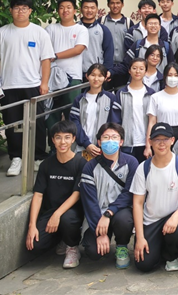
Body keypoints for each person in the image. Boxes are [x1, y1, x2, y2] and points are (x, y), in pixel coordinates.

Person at [0, 0, 55, 177]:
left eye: (24, 8)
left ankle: (38, 157)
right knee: (12, 123)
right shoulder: (1, 33)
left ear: (30, 11)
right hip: (8, 86)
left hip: (33, 85)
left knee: (37, 122)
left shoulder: (40, 33)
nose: (20, 11)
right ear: (11, 10)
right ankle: (16, 158)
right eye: (17, 8)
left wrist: (44, 83)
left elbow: (46, 60)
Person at [131, 122, 178, 272]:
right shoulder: (143, 168)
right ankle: (158, 248)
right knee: (144, 265)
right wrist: (140, 237)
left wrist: (175, 217)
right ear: (150, 142)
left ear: (172, 140)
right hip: (151, 220)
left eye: (165, 139)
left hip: (174, 217)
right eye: (157, 139)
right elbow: (138, 203)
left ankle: (171, 255)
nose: (161, 144)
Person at [25, 120, 86, 268]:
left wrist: (57, 215)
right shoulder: (46, 165)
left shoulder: (81, 163)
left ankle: (72, 247)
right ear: (52, 140)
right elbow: (38, 195)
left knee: (67, 219)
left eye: (67, 137)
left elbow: (76, 194)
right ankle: (62, 238)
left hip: (73, 213)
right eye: (58, 137)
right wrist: (32, 226)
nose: (62, 142)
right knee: (35, 245)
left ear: (73, 139)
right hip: (51, 212)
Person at [79, 123, 138, 269]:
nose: (110, 141)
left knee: (124, 220)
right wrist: (100, 233)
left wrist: (109, 213)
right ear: (99, 142)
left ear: (121, 141)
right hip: (97, 215)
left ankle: (122, 246)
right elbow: (89, 202)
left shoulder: (131, 162)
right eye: (105, 137)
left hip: (119, 212)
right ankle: (102, 236)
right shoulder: (90, 167)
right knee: (93, 252)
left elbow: (129, 193)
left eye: (114, 137)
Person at [46, 0, 89, 121]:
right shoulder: (50, 29)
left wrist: (55, 56)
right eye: (61, 8)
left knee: (72, 115)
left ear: (75, 11)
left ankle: (73, 135)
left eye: (69, 7)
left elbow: (78, 49)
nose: (65, 10)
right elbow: (44, 51)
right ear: (58, 11)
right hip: (52, 78)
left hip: (73, 77)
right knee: (51, 115)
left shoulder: (81, 29)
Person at [110, 58, 155, 163]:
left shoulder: (151, 94)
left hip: (145, 143)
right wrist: (119, 139)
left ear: (145, 71)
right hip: (126, 143)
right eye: (134, 68)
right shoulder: (121, 93)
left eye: (141, 69)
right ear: (129, 71)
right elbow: (116, 120)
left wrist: (150, 143)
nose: (137, 71)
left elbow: (153, 120)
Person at [69, 64, 115, 157]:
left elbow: (114, 123)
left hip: (104, 147)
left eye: (100, 76)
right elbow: (74, 122)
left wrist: (101, 143)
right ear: (87, 76)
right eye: (93, 75)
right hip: (81, 147)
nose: (96, 79)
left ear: (105, 78)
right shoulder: (79, 99)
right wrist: (87, 144)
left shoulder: (111, 98)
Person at [145, 62, 178, 145]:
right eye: (170, 75)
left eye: (176, 75)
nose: (172, 78)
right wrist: (148, 146)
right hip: (161, 135)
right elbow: (151, 123)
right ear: (165, 76)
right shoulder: (155, 97)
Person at [79, 0, 114, 79]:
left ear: (97, 10)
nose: (89, 10)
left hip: (96, 74)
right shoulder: (75, 28)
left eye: (92, 8)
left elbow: (108, 51)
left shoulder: (103, 29)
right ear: (80, 10)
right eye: (86, 7)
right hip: (76, 73)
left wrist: (105, 71)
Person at [101, 0, 132, 67]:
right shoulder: (102, 21)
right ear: (108, 4)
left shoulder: (128, 22)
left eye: (118, 3)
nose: (115, 6)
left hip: (123, 65)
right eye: (112, 3)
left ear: (122, 4)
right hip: (105, 64)